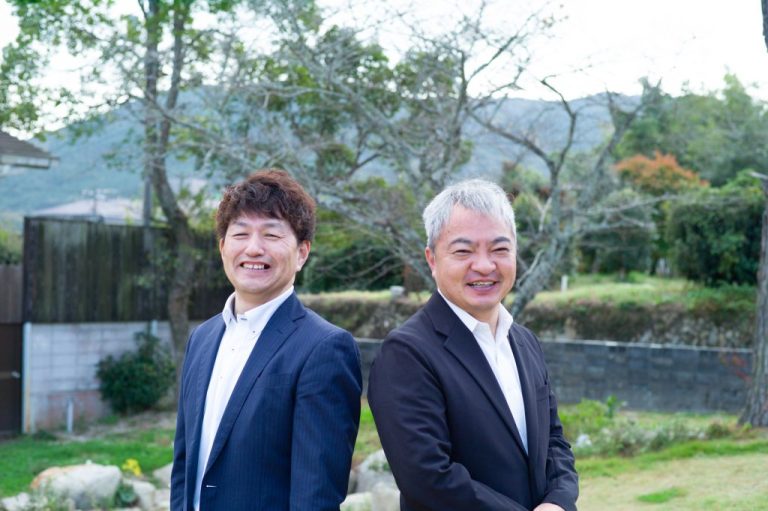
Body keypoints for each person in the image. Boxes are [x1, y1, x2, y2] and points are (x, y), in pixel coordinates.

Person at [368, 178, 578, 511]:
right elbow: (428, 478)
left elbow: (553, 441)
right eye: (463, 251)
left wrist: (559, 501)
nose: (484, 265)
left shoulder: (525, 342)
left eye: (499, 249)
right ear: (432, 260)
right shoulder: (407, 353)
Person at [170, 169, 362, 511]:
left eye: (272, 235)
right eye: (240, 233)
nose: (254, 248)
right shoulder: (202, 338)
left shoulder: (324, 348)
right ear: (223, 247)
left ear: (302, 252)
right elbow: (184, 463)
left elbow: (316, 494)